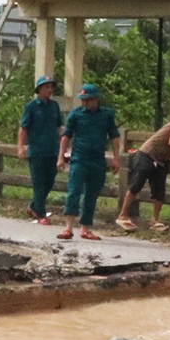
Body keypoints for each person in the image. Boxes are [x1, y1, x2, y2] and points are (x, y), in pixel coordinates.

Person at [57, 83, 120, 241]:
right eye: (83, 100)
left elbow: (114, 137)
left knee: (91, 195)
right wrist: (61, 156)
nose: (85, 102)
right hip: (79, 158)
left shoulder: (106, 115)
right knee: (74, 191)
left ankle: (85, 228)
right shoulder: (75, 115)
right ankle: (68, 227)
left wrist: (116, 158)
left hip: (98, 160)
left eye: (88, 99)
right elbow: (66, 136)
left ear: (95, 99)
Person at [16, 75, 63, 223]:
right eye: (47, 87)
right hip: (37, 151)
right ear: (39, 89)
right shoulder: (31, 107)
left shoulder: (54, 106)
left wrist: (65, 144)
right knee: (39, 183)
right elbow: (23, 128)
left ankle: (33, 206)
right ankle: (41, 214)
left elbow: (59, 127)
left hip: (52, 150)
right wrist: (21, 147)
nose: (50, 90)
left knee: (49, 181)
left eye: (51, 87)